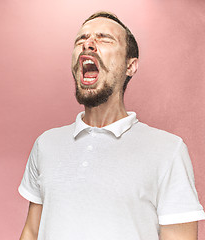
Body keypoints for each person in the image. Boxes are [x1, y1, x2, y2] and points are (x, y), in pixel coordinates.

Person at [18, 11, 205, 240]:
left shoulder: (168, 150)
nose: (88, 44)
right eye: (81, 39)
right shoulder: (45, 144)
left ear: (131, 66)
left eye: (104, 38)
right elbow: (31, 231)